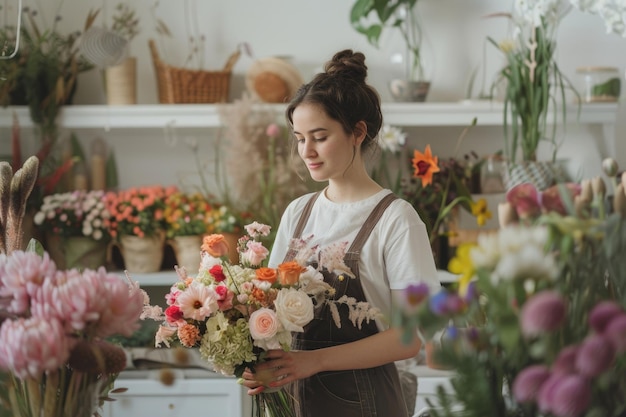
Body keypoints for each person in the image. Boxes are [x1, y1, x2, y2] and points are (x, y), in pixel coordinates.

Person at [240, 49, 441, 417]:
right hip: (292, 398)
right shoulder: (298, 212)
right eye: (300, 138)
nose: (307, 151)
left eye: (319, 137)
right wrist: (249, 357)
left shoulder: (396, 219)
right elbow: (266, 308)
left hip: (365, 401)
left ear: (357, 132)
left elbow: (409, 337)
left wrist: (313, 361)